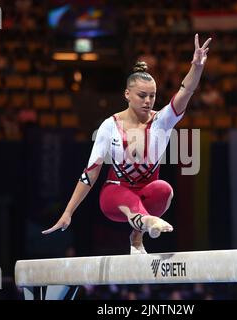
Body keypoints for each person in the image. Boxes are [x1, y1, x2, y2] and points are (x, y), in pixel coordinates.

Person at [42, 34, 212, 254]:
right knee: (123, 195)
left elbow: (185, 91)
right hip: (114, 198)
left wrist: (196, 67)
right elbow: (90, 174)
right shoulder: (109, 126)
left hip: (147, 198)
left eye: (152, 96)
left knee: (164, 189)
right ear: (127, 94)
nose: (148, 101)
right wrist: (68, 212)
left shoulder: (162, 121)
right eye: (142, 95)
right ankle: (144, 222)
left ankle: (137, 234)